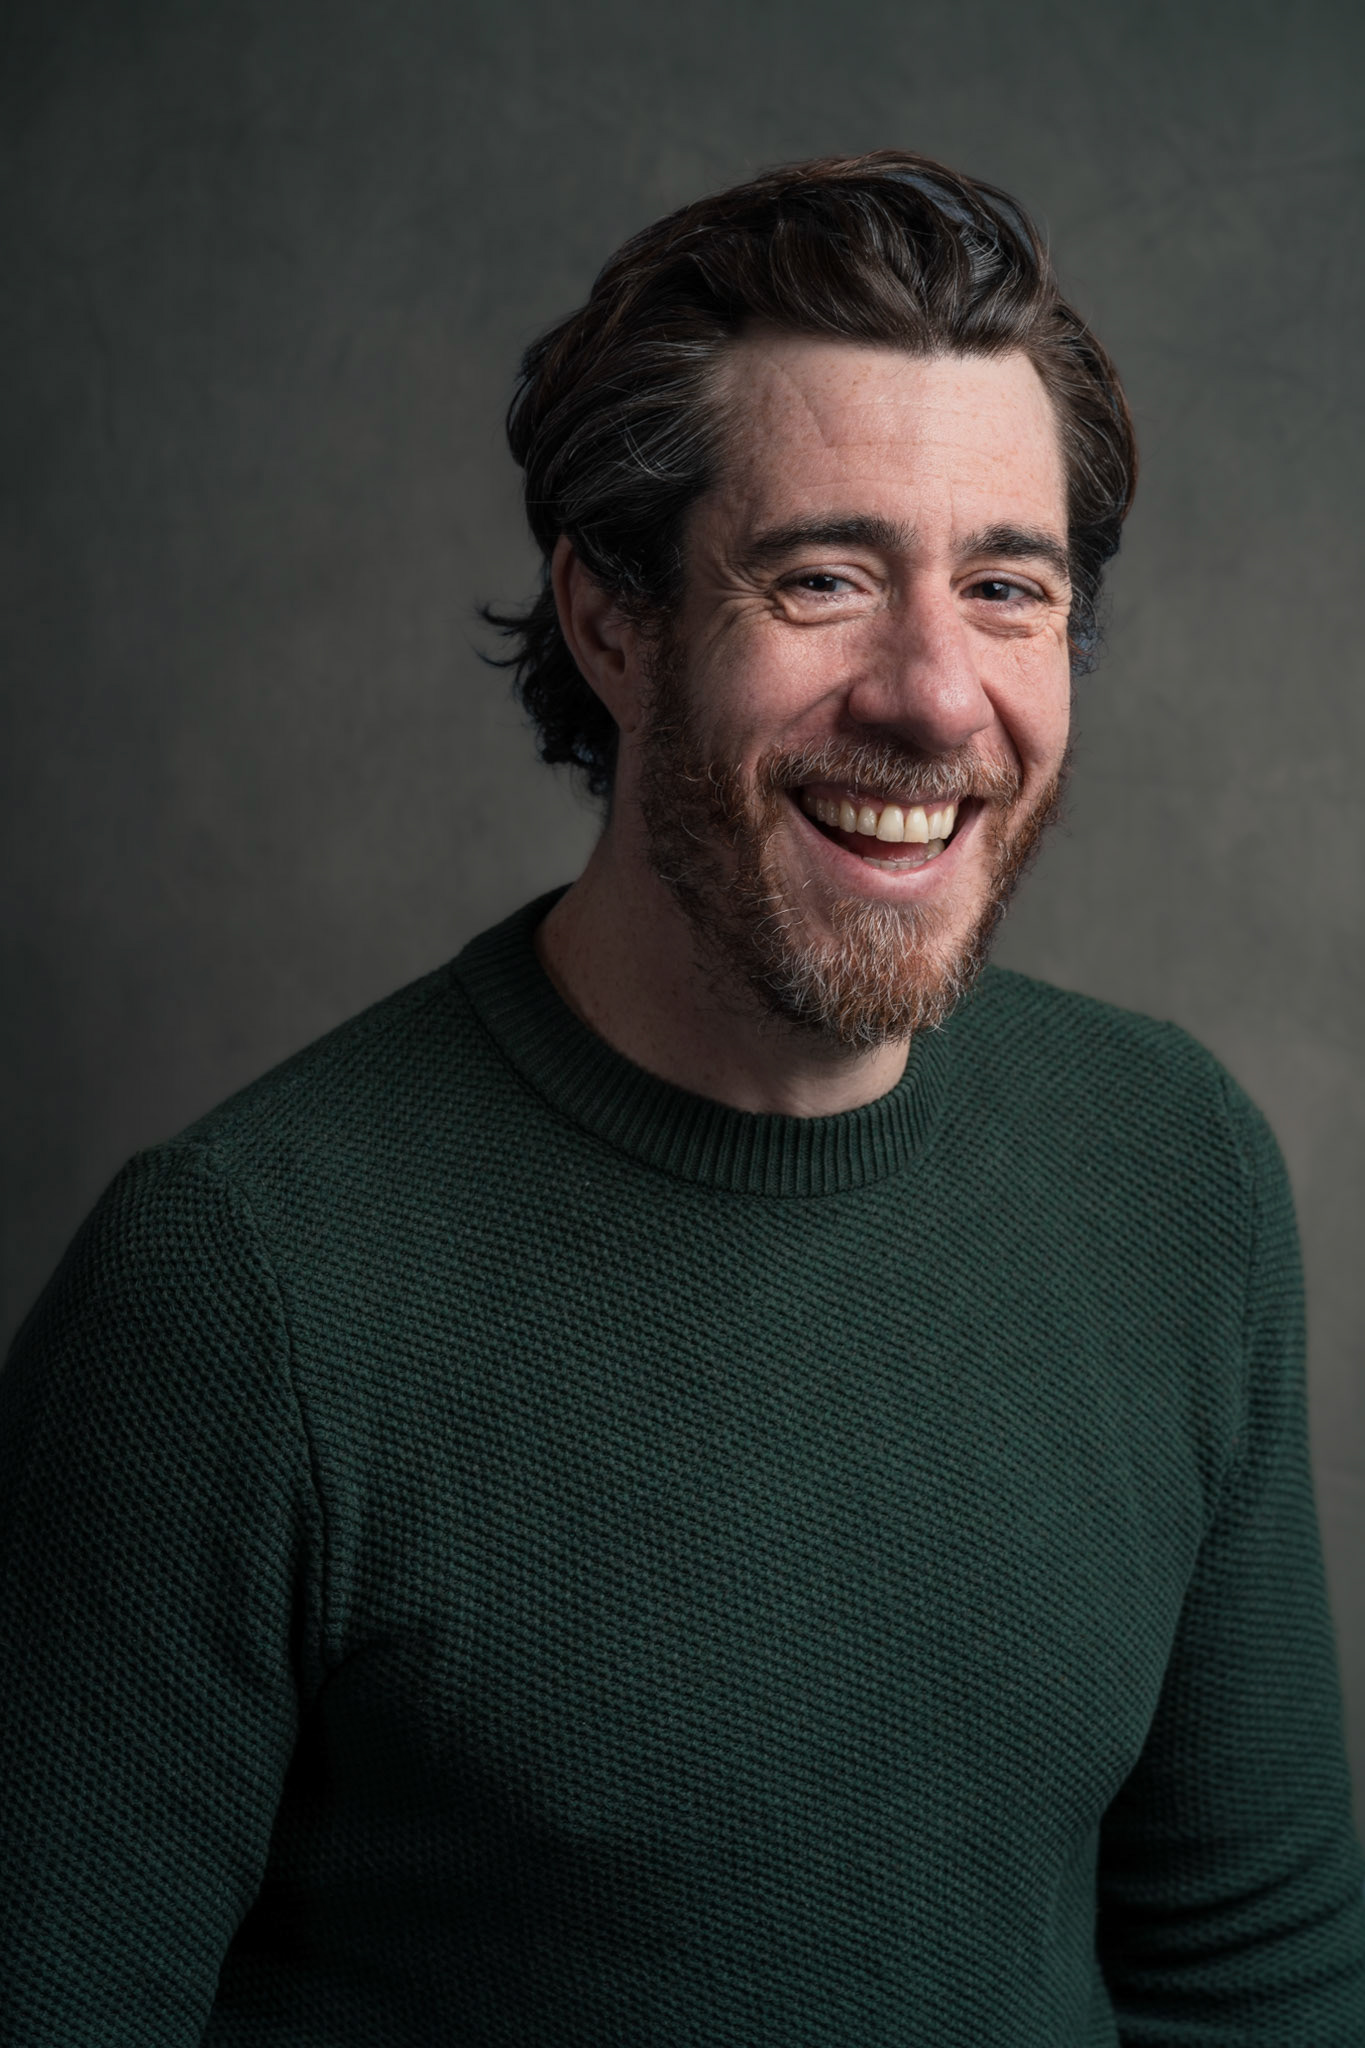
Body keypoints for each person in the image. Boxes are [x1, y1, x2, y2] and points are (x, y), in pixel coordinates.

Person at [1, 150, 1362, 2047]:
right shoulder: (238, 1290)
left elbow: (1256, 1976)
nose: (932, 694)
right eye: (822, 578)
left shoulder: (1171, 1170)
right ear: (612, 621)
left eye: (1005, 588)